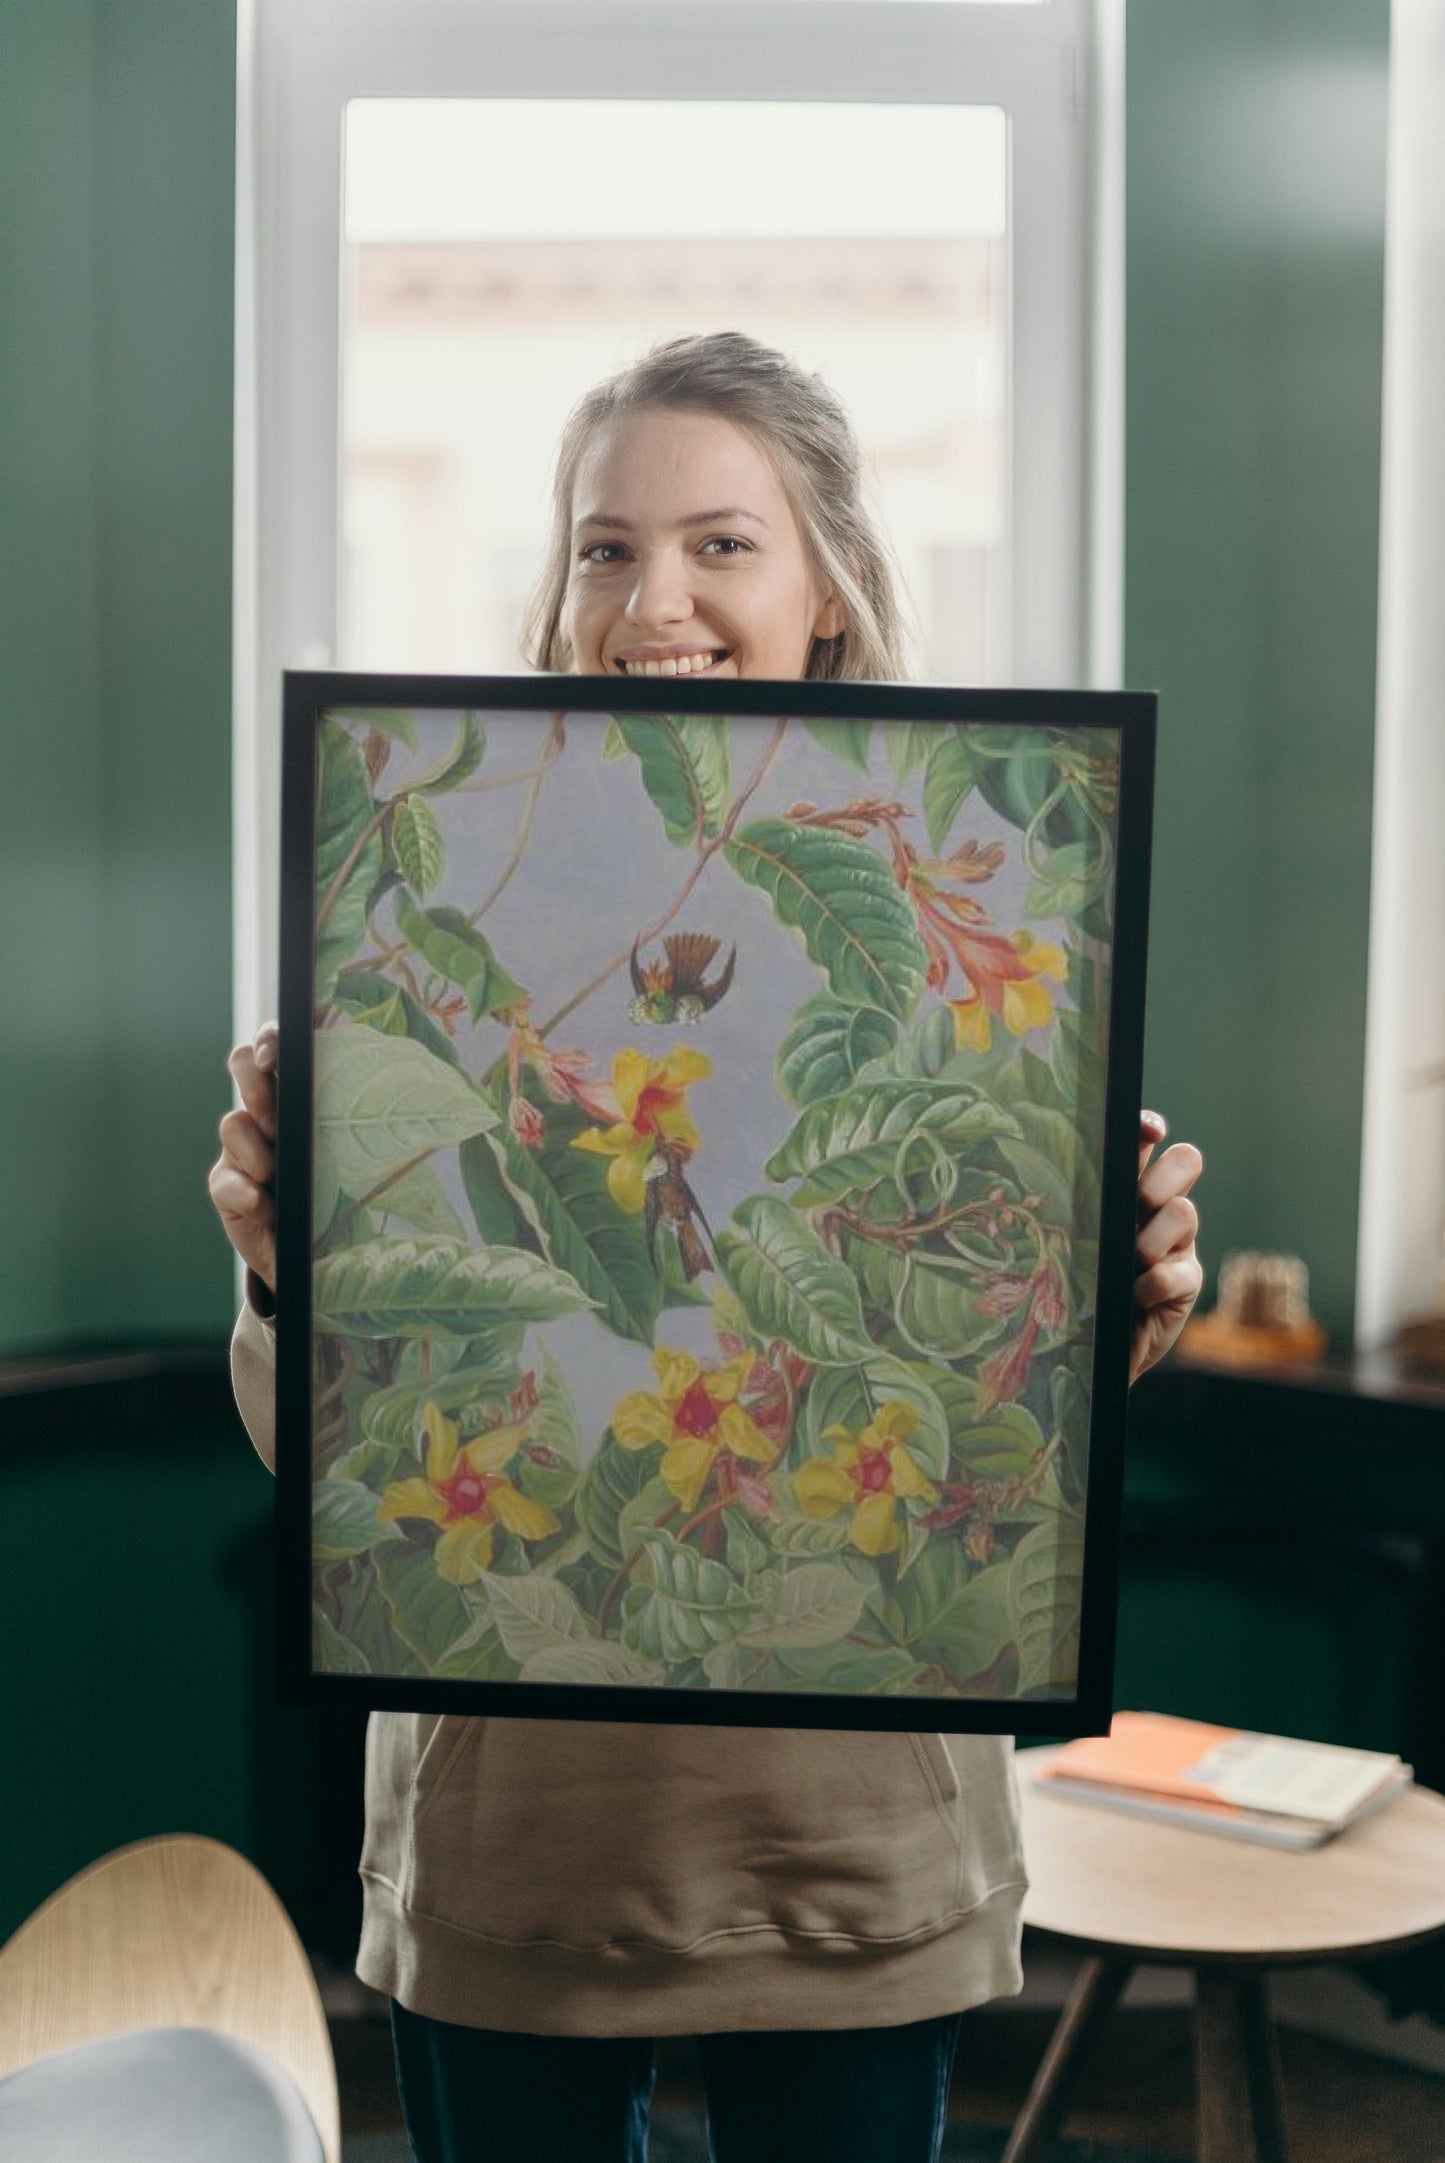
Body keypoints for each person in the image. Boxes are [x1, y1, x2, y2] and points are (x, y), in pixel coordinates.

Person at [211, 332, 1204, 2163]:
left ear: (827, 587)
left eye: (719, 544)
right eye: (604, 546)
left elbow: (1000, 1440)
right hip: (517, 1841)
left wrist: (1107, 1299)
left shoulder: (969, 876)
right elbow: (332, 1463)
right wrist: (293, 1272)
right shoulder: (431, 920)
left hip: (850, 1840)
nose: (649, 597)